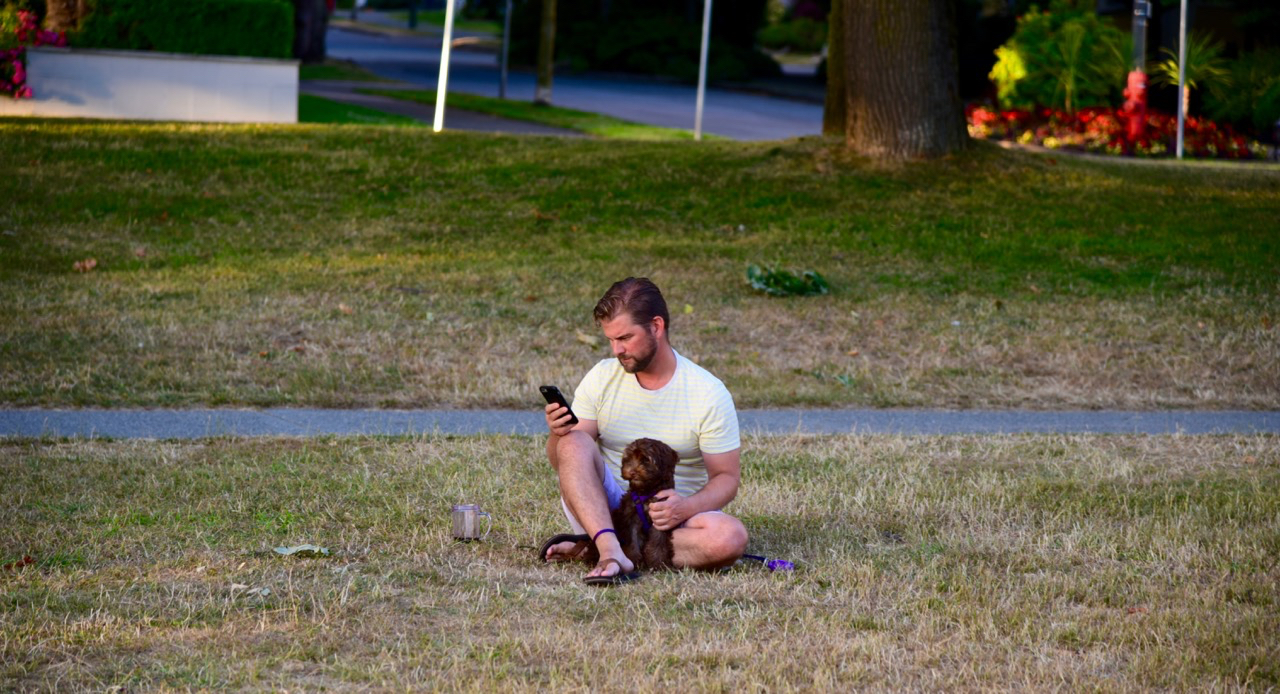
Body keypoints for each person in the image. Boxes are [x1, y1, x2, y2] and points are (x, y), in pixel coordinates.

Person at [541, 277, 749, 584]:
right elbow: (566, 463)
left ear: (656, 326)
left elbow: (727, 478)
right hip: (609, 512)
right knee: (573, 441)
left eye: (625, 337)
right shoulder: (601, 378)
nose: (617, 350)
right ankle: (611, 549)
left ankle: (599, 549)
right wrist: (557, 435)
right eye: (611, 339)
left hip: (676, 518)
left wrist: (685, 508)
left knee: (729, 538)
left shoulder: (707, 392)